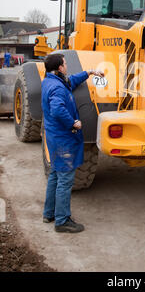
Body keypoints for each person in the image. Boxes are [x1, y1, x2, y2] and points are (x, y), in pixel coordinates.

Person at [42, 53, 104, 232]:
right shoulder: (58, 88)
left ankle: (49, 213)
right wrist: (73, 122)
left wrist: (90, 72)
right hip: (64, 141)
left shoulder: (50, 81)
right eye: (65, 63)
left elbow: (72, 81)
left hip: (55, 139)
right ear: (60, 67)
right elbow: (57, 109)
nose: (67, 66)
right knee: (65, 180)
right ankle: (62, 221)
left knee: (55, 175)